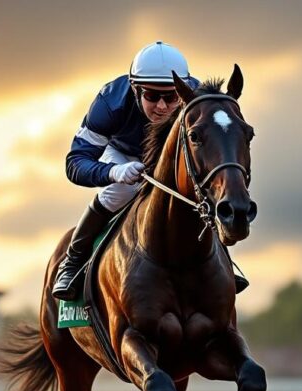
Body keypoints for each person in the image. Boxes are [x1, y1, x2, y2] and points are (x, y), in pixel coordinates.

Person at [53, 41, 248, 301]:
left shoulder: (196, 98)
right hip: (123, 155)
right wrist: (113, 171)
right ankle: (73, 262)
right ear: (135, 90)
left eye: (170, 96)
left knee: (199, 189)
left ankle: (223, 262)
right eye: (152, 96)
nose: (163, 106)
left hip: (169, 158)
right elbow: (75, 162)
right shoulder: (110, 103)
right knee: (122, 190)